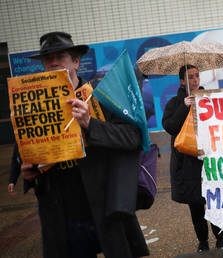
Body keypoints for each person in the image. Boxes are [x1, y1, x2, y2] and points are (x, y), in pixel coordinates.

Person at [19, 32, 149, 257]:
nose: (53, 62)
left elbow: (132, 138)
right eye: (47, 58)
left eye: (60, 56)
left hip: (102, 201)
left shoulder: (100, 97)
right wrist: (30, 174)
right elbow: (25, 154)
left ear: (76, 62)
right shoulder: (33, 106)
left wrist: (90, 124)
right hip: (62, 209)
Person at [162, 65, 223, 252]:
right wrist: (185, 106)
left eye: (197, 76)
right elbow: (170, 127)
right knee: (196, 206)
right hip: (187, 164)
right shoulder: (175, 103)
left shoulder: (209, 99)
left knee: (215, 202)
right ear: (182, 81)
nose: (195, 80)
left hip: (210, 161)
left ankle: (220, 239)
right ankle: (203, 242)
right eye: (190, 77)